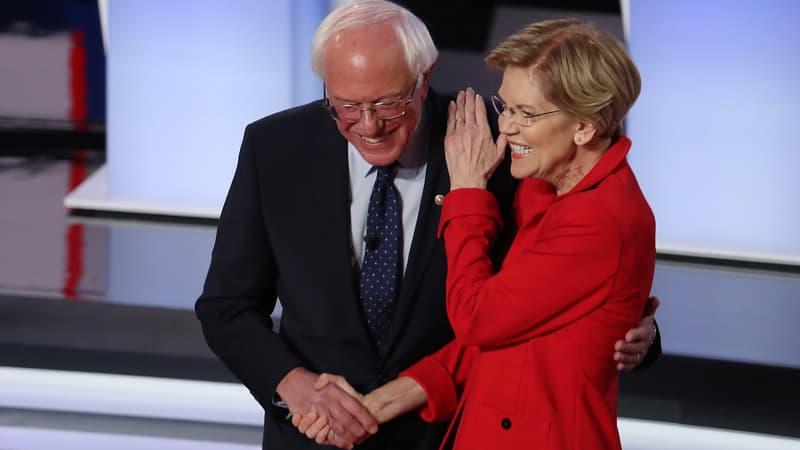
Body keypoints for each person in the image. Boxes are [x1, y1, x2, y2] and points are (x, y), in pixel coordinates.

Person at [195, 1, 659, 449]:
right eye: (346, 106)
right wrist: (292, 386)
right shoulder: (275, 147)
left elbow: (550, 289)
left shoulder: (500, 153)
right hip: (312, 438)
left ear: (425, 78)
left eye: (388, 103)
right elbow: (226, 306)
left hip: (439, 434)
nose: (369, 125)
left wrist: (633, 329)